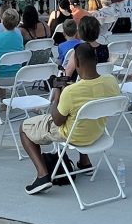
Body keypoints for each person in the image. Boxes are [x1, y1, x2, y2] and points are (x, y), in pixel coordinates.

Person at [19, 41, 121, 195]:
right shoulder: (111, 81)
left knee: (24, 128)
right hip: (98, 133)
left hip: (72, 135)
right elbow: (90, 95)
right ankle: (85, 162)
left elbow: (57, 120)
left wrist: (59, 93)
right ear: (95, 60)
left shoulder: (71, 92)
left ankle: (42, 175)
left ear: (77, 63)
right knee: (81, 116)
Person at [0, 8, 25, 97]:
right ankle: (7, 100)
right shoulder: (19, 35)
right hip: (16, 75)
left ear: (2, 21)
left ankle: (2, 100)